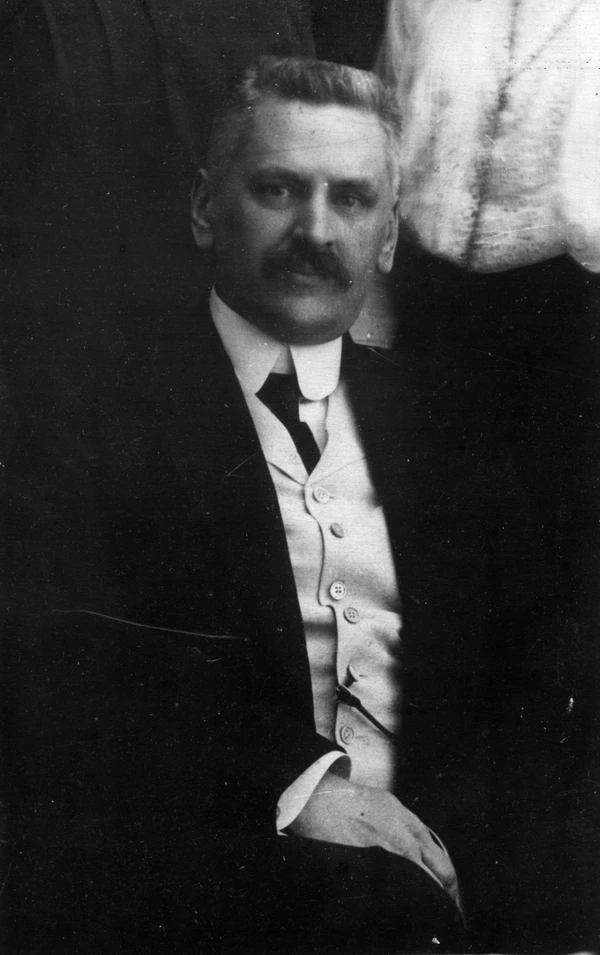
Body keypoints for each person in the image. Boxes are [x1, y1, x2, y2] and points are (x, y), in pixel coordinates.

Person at [2, 57, 589, 955]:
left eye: (351, 199)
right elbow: (57, 663)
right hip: (210, 874)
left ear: (387, 238)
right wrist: (297, 782)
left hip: (450, 887)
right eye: (278, 189)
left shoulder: (455, 425)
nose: (315, 230)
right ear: (206, 207)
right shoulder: (81, 412)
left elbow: (535, 692)